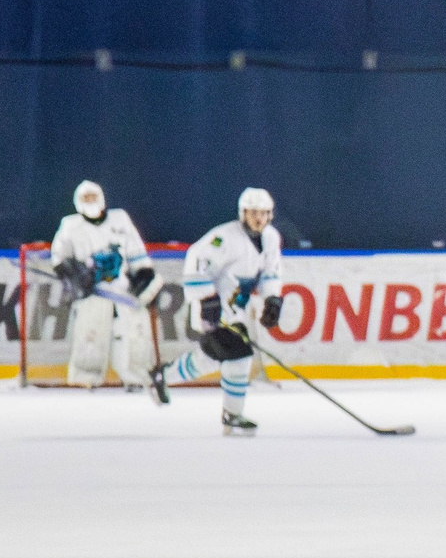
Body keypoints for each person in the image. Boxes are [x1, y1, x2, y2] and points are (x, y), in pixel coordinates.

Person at [165, 187, 283, 435]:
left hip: (235, 308)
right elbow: (196, 257)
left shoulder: (271, 238)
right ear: (243, 213)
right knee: (239, 356)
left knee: (210, 359)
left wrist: (272, 298)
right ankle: (232, 414)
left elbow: (270, 271)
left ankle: (162, 377)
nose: (259, 218)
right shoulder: (224, 237)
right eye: (253, 213)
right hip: (212, 308)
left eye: (263, 213)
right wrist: (206, 299)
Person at [47, 179, 163, 393]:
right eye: (85, 198)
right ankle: (86, 377)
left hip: (122, 289)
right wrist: (74, 275)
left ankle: (136, 377)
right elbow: (59, 257)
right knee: (90, 335)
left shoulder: (120, 219)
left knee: (133, 334)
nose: (90, 201)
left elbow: (136, 251)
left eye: (93, 196)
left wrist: (143, 272)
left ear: (101, 198)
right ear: (78, 202)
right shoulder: (70, 225)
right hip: (92, 292)